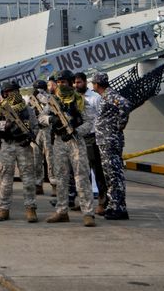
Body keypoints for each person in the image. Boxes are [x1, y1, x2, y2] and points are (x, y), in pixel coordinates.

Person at [40, 70, 97, 227]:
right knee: (61, 177)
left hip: (76, 141)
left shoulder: (80, 100)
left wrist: (76, 130)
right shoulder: (53, 101)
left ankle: (88, 213)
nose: (60, 85)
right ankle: (62, 211)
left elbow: (89, 121)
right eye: (58, 82)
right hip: (59, 142)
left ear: (71, 83)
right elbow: (41, 118)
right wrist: (51, 119)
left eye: (63, 82)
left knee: (81, 177)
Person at [0, 81, 39, 223]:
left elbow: (35, 125)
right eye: (7, 92)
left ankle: (30, 208)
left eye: (13, 91)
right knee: (5, 181)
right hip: (7, 147)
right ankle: (3, 209)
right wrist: (5, 125)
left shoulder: (27, 109)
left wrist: (30, 137)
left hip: (23, 147)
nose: (10, 94)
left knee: (28, 180)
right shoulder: (0, 108)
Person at [91, 72, 132, 220]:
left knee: (114, 174)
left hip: (110, 140)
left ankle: (119, 208)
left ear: (97, 84)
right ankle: (114, 205)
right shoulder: (105, 96)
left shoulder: (110, 95)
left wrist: (120, 124)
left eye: (93, 83)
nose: (92, 85)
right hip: (105, 140)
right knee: (109, 175)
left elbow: (125, 104)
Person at [75, 72, 107, 214]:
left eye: (79, 82)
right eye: (75, 83)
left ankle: (102, 202)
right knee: (82, 172)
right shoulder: (73, 98)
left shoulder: (95, 98)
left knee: (97, 170)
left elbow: (102, 118)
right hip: (78, 137)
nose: (77, 85)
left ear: (85, 82)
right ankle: (84, 202)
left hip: (92, 137)